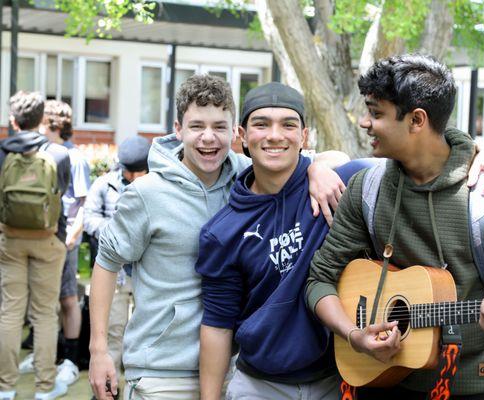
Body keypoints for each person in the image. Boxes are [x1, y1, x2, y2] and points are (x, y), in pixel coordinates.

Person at [88, 74, 347, 400]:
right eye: (196, 126)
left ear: (235, 133)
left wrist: (317, 168)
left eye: (219, 127)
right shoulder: (146, 194)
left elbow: (301, 155)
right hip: (164, 370)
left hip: (236, 365)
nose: (208, 138)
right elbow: (106, 262)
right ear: (178, 129)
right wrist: (99, 351)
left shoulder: (246, 173)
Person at [307, 54, 484, 399]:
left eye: (376, 113)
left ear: (417, 120)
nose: (364, 122)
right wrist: (353, 335)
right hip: (382, 383)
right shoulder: (367, 188)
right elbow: (320, 280)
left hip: (473, 391)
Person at [0, 91, 71, 400]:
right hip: (47, 240)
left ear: (13, 121)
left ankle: (6, 387)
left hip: (11, 239)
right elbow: (61, 197)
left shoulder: (2, 153)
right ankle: (44, 387)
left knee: (10, 312)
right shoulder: (59, 154)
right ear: (43, 120)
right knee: (44, 313)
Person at [83, 135, 151, 381]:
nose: (133, 177)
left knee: (146, 331)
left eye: (139, 172)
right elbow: (88, 217)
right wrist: (117, 233)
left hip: (147, 271)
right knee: (114, 330)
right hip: (117, 273)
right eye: (129, 172)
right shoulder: (104, 183)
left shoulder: (159, 183)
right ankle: (110, 387)